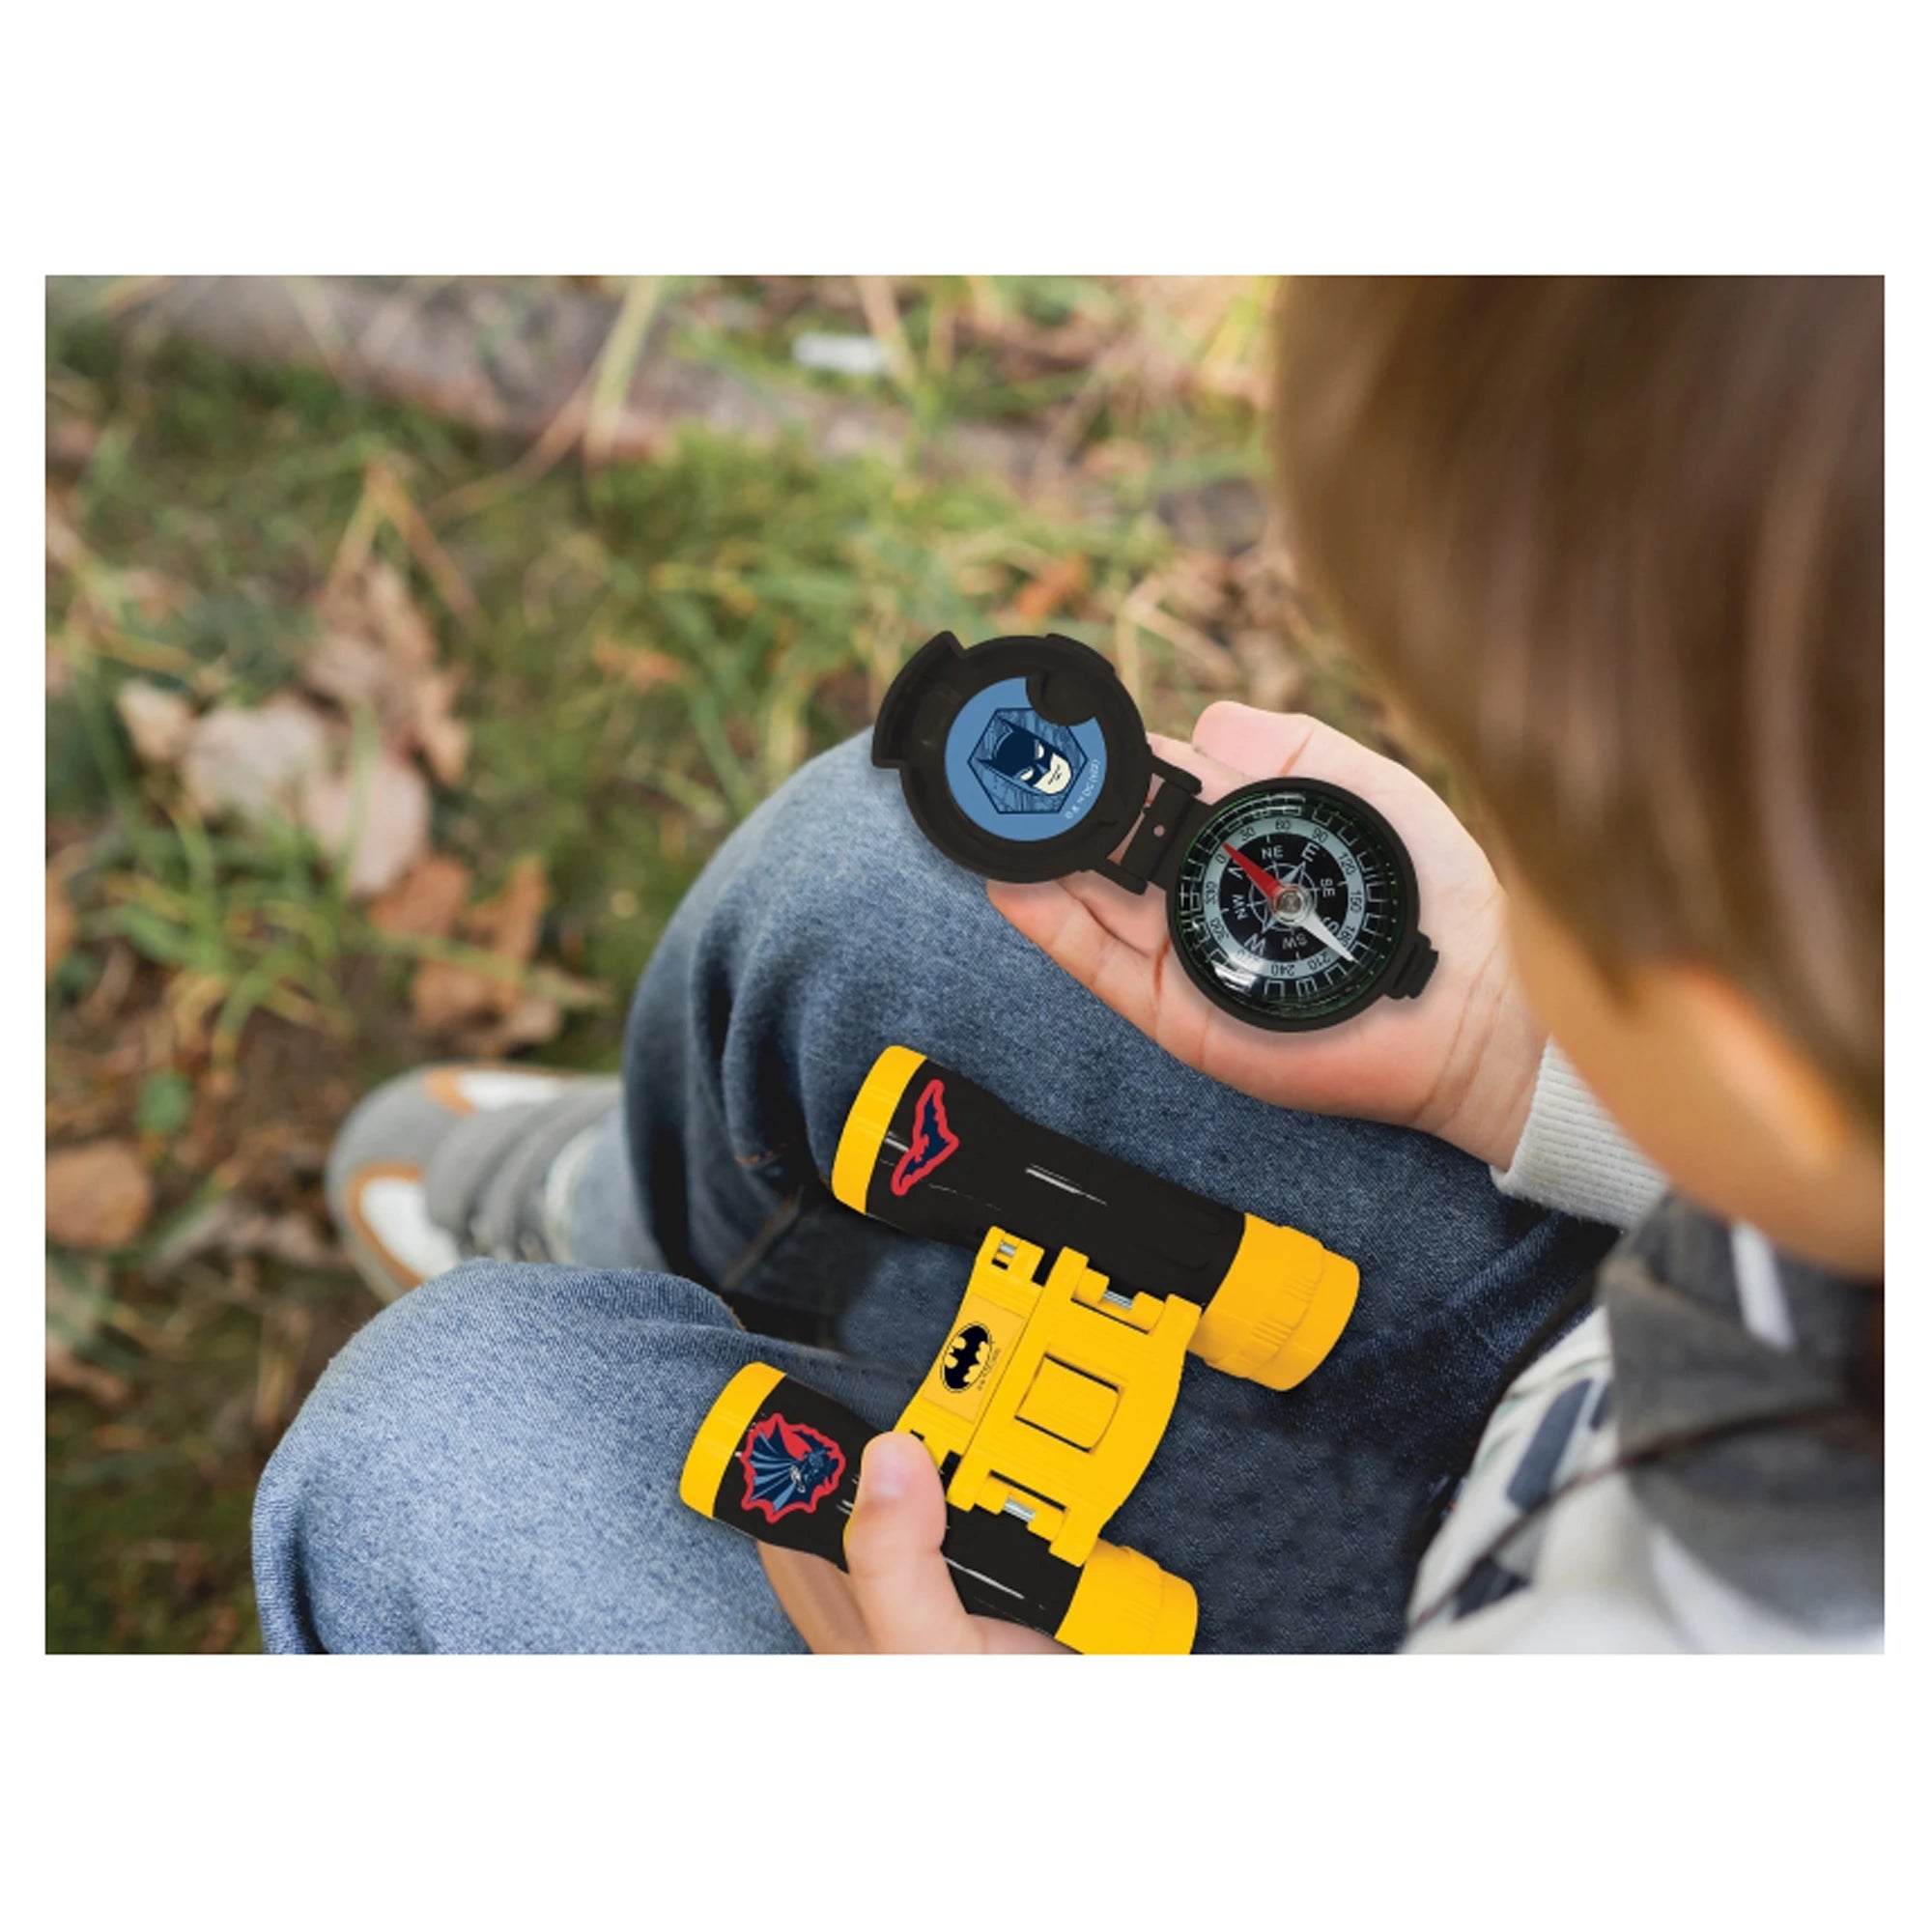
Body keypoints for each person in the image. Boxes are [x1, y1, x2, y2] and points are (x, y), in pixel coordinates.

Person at [253, 277, 1881, 1653]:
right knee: (886, 875)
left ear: (1740, 1041)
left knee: (439, 1464)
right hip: (1606, 1315)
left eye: (1547, 857)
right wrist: (1512, 1055)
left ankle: (622, 1315)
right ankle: (644, 1232)